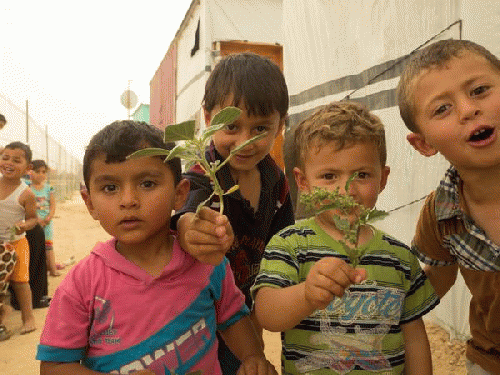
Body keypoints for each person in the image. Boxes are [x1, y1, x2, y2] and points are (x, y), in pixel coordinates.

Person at [36, 120, 277, 375]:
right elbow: (55, 366)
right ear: (90, 202)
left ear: (180, 193)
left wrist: (253, 357)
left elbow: (233, 318)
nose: (128, 200)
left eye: (147, 183)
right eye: (110, 188)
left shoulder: (206, 261)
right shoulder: (82, 283)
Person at [251, 101, 440, 374]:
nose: (346, 190)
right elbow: (267, 313)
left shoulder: (399, 257)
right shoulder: (290, 244)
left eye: (362, 175)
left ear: (383, 178)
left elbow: (413, 336)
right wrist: (306, 295)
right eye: (329, 176)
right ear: (303, 183)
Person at [173, 52, 295, 374]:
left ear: (280, 125)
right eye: (231, 126)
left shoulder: (276, 182)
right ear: (207, 117)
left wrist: (260, 310)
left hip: (248, 314)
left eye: (260, 128)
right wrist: (190, 231)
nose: (244, 142)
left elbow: (283, 247)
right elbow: (187, 217)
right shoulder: (204, 173)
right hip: (201, 319)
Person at [397, 39, 500, 375]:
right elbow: (438, 277)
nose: (468, 109)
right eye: (442, 108)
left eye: (480, 90)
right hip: (489, 358)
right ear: (424, 143)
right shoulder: (441, 213)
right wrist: (387, 305)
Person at [0, 141, 38, 337]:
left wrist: (25, 224)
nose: (9, 163)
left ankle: (28, 317)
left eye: (16, 160)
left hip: (17, 243)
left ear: (28, 167)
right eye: (5, 158)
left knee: (20, 281)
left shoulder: (26, 193)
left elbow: (33, 219)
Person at [29, 159, 62, 276]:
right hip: (33, 223)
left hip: (47, 223)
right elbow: (26, 207)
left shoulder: (48, 188)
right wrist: (36, 220)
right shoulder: (27, 188)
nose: (41, 174)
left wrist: (49, 217)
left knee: (48, 247)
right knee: (33, 247)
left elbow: (53, 205)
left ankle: (53, 270)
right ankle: (34, 272)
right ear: (30, 172)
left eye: (44, 172)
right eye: (37, 171)